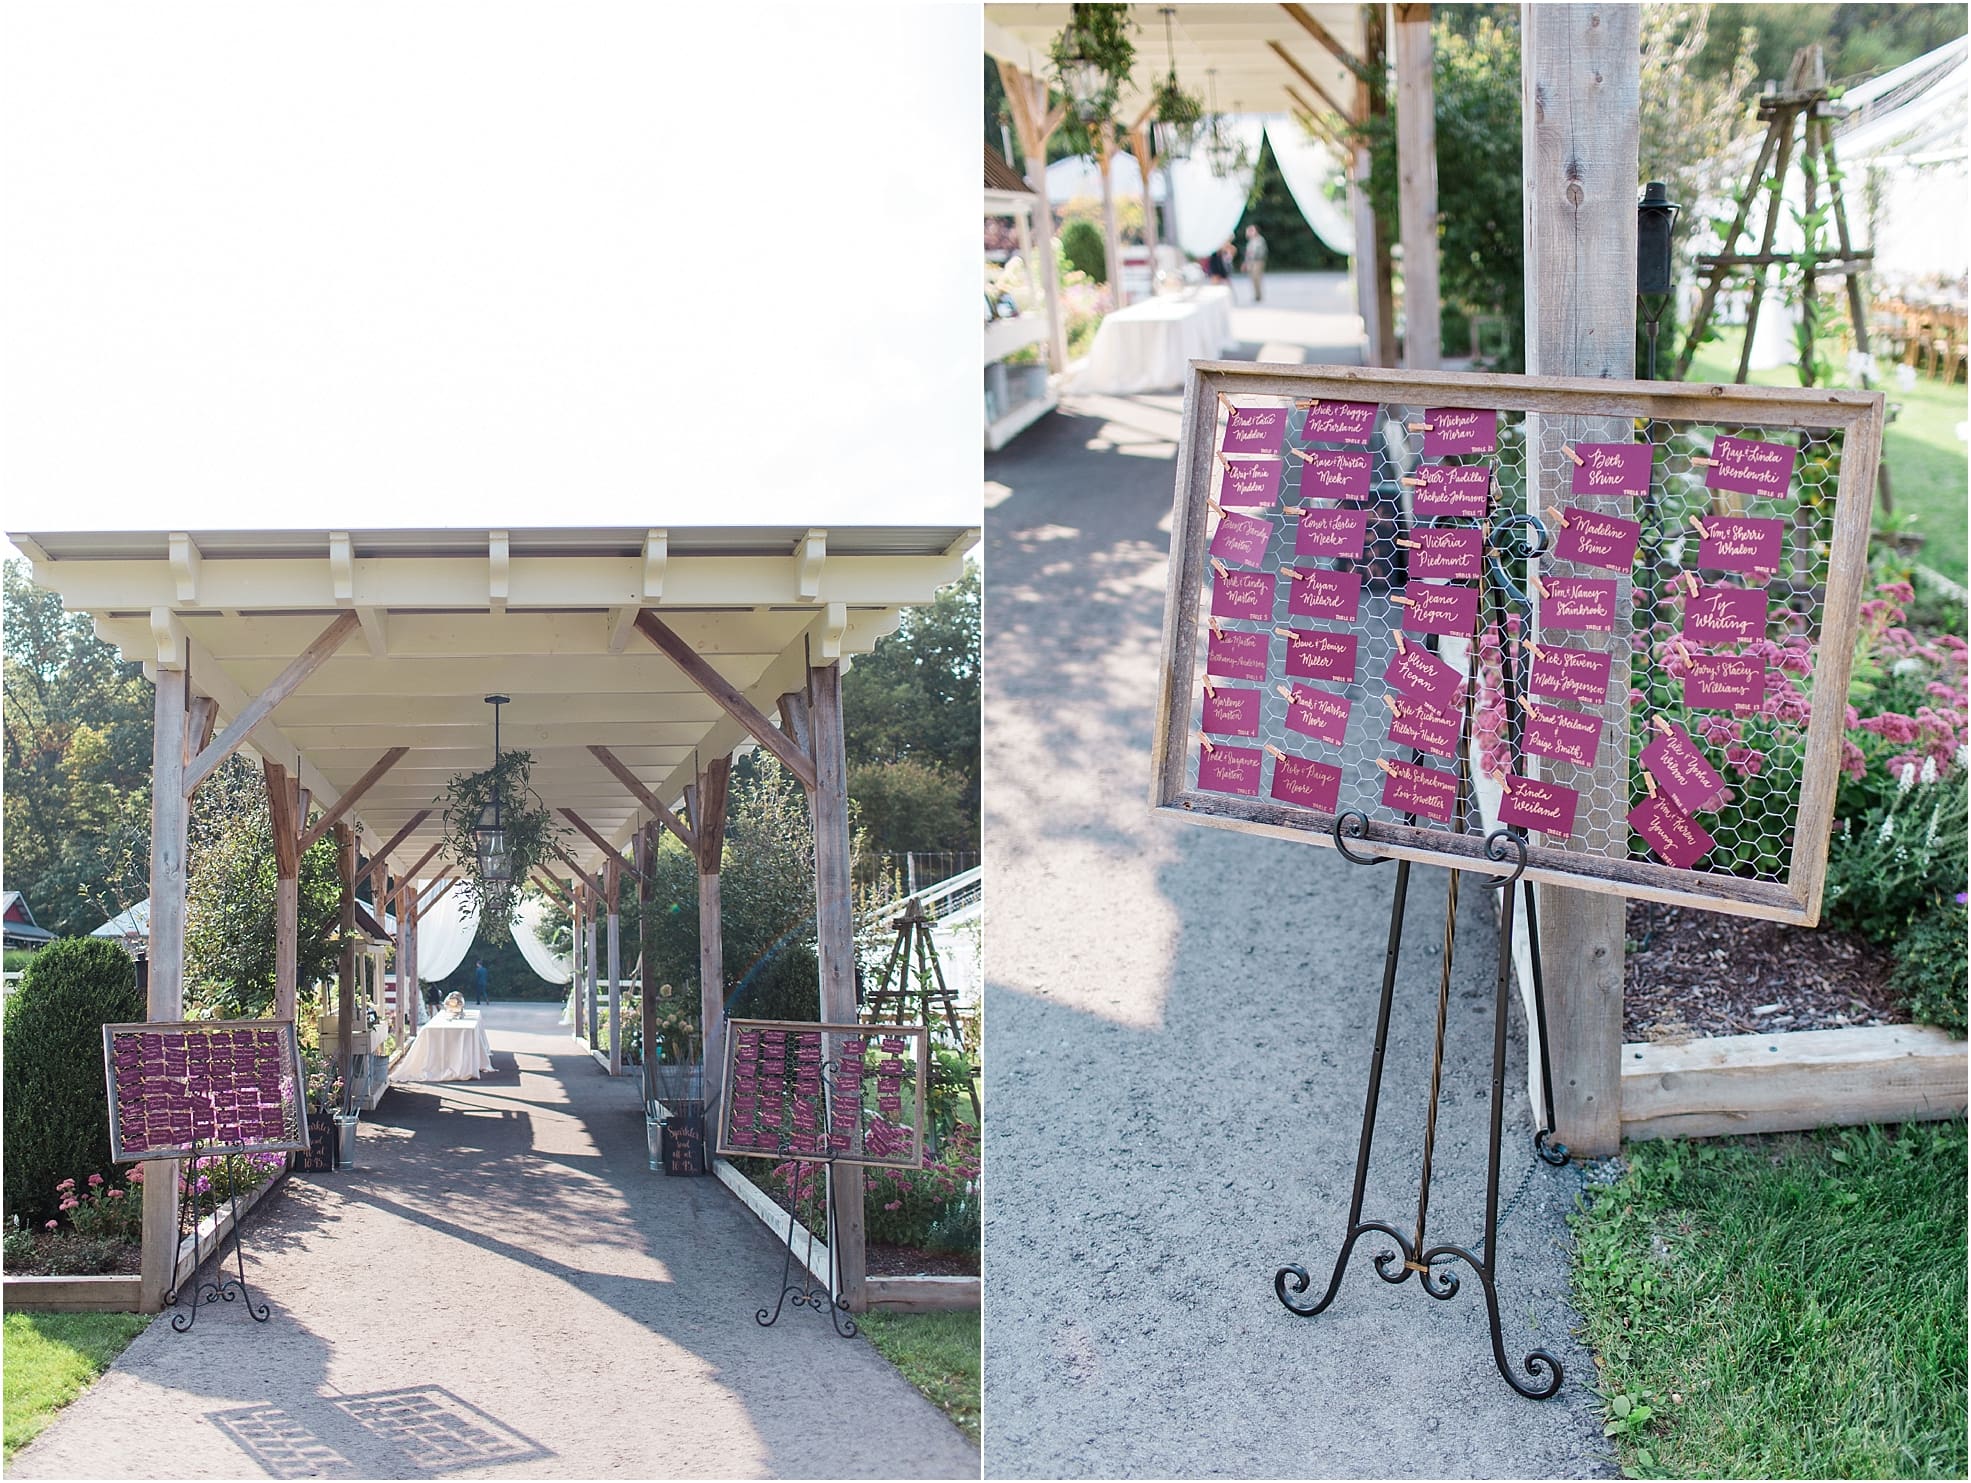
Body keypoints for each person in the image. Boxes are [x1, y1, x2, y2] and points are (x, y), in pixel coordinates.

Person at [1242, 223, 1268, 303]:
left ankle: (1258, 296)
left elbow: (1260, 252)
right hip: (1251, 262)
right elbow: (1248, 253)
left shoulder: (1259, 240)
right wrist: (1245, 263)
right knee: (1253, 279)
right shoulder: (1251, 241)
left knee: (1257, 278)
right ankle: (1256, 295)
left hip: (1257, 262)